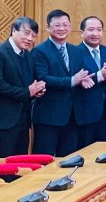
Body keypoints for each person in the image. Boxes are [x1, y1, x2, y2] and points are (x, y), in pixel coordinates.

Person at [32, 10, 88, 156]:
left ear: (70, 27)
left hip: (72, 117)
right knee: (44, 161)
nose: (62, 28)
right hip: (48, 117)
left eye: (65, 25)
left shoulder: (76, 51)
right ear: (48, 27)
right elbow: (43, 77)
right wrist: (72, 80)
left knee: (69, 160)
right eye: (57, 25)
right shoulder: (39, 51)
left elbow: (80, 73)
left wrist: (84, 80)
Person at [0, 17, 44, 157]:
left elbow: (29, 83)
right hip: (4, 120)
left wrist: (36, 91)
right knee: (5, 165)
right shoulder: (2, 52)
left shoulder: (28, 55)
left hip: (24, 120)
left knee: (21, 164)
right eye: (26, 33)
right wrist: (27, 92)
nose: (30, 38)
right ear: (14, 30)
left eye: (33, 36)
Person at [77, 16, 106, 145]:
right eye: (91, 30)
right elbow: (76, 80)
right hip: (85, 112)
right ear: (82, 33)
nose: (95, 33)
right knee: (85, 153)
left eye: (99, 29)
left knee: (105, 152)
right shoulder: (75, 52)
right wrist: (101, 75)